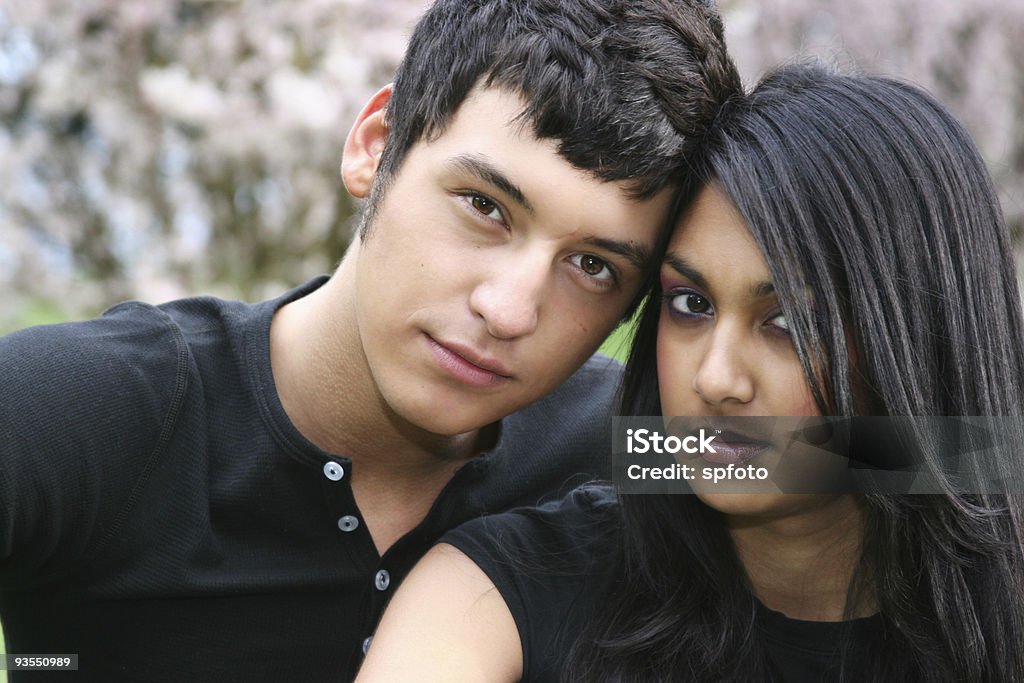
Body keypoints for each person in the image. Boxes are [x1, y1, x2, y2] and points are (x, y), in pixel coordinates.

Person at [0, 1, 741, 680]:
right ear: (374, 146)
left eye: (592, 266)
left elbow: (848, 459)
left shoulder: (626, 442)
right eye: (484, 206)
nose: (509, 310)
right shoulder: (88, 410)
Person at [355, 63, 1024, 682]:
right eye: (691, 305)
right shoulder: (498, 589)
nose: (716, 378)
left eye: (787, 322)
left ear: (913, 340)